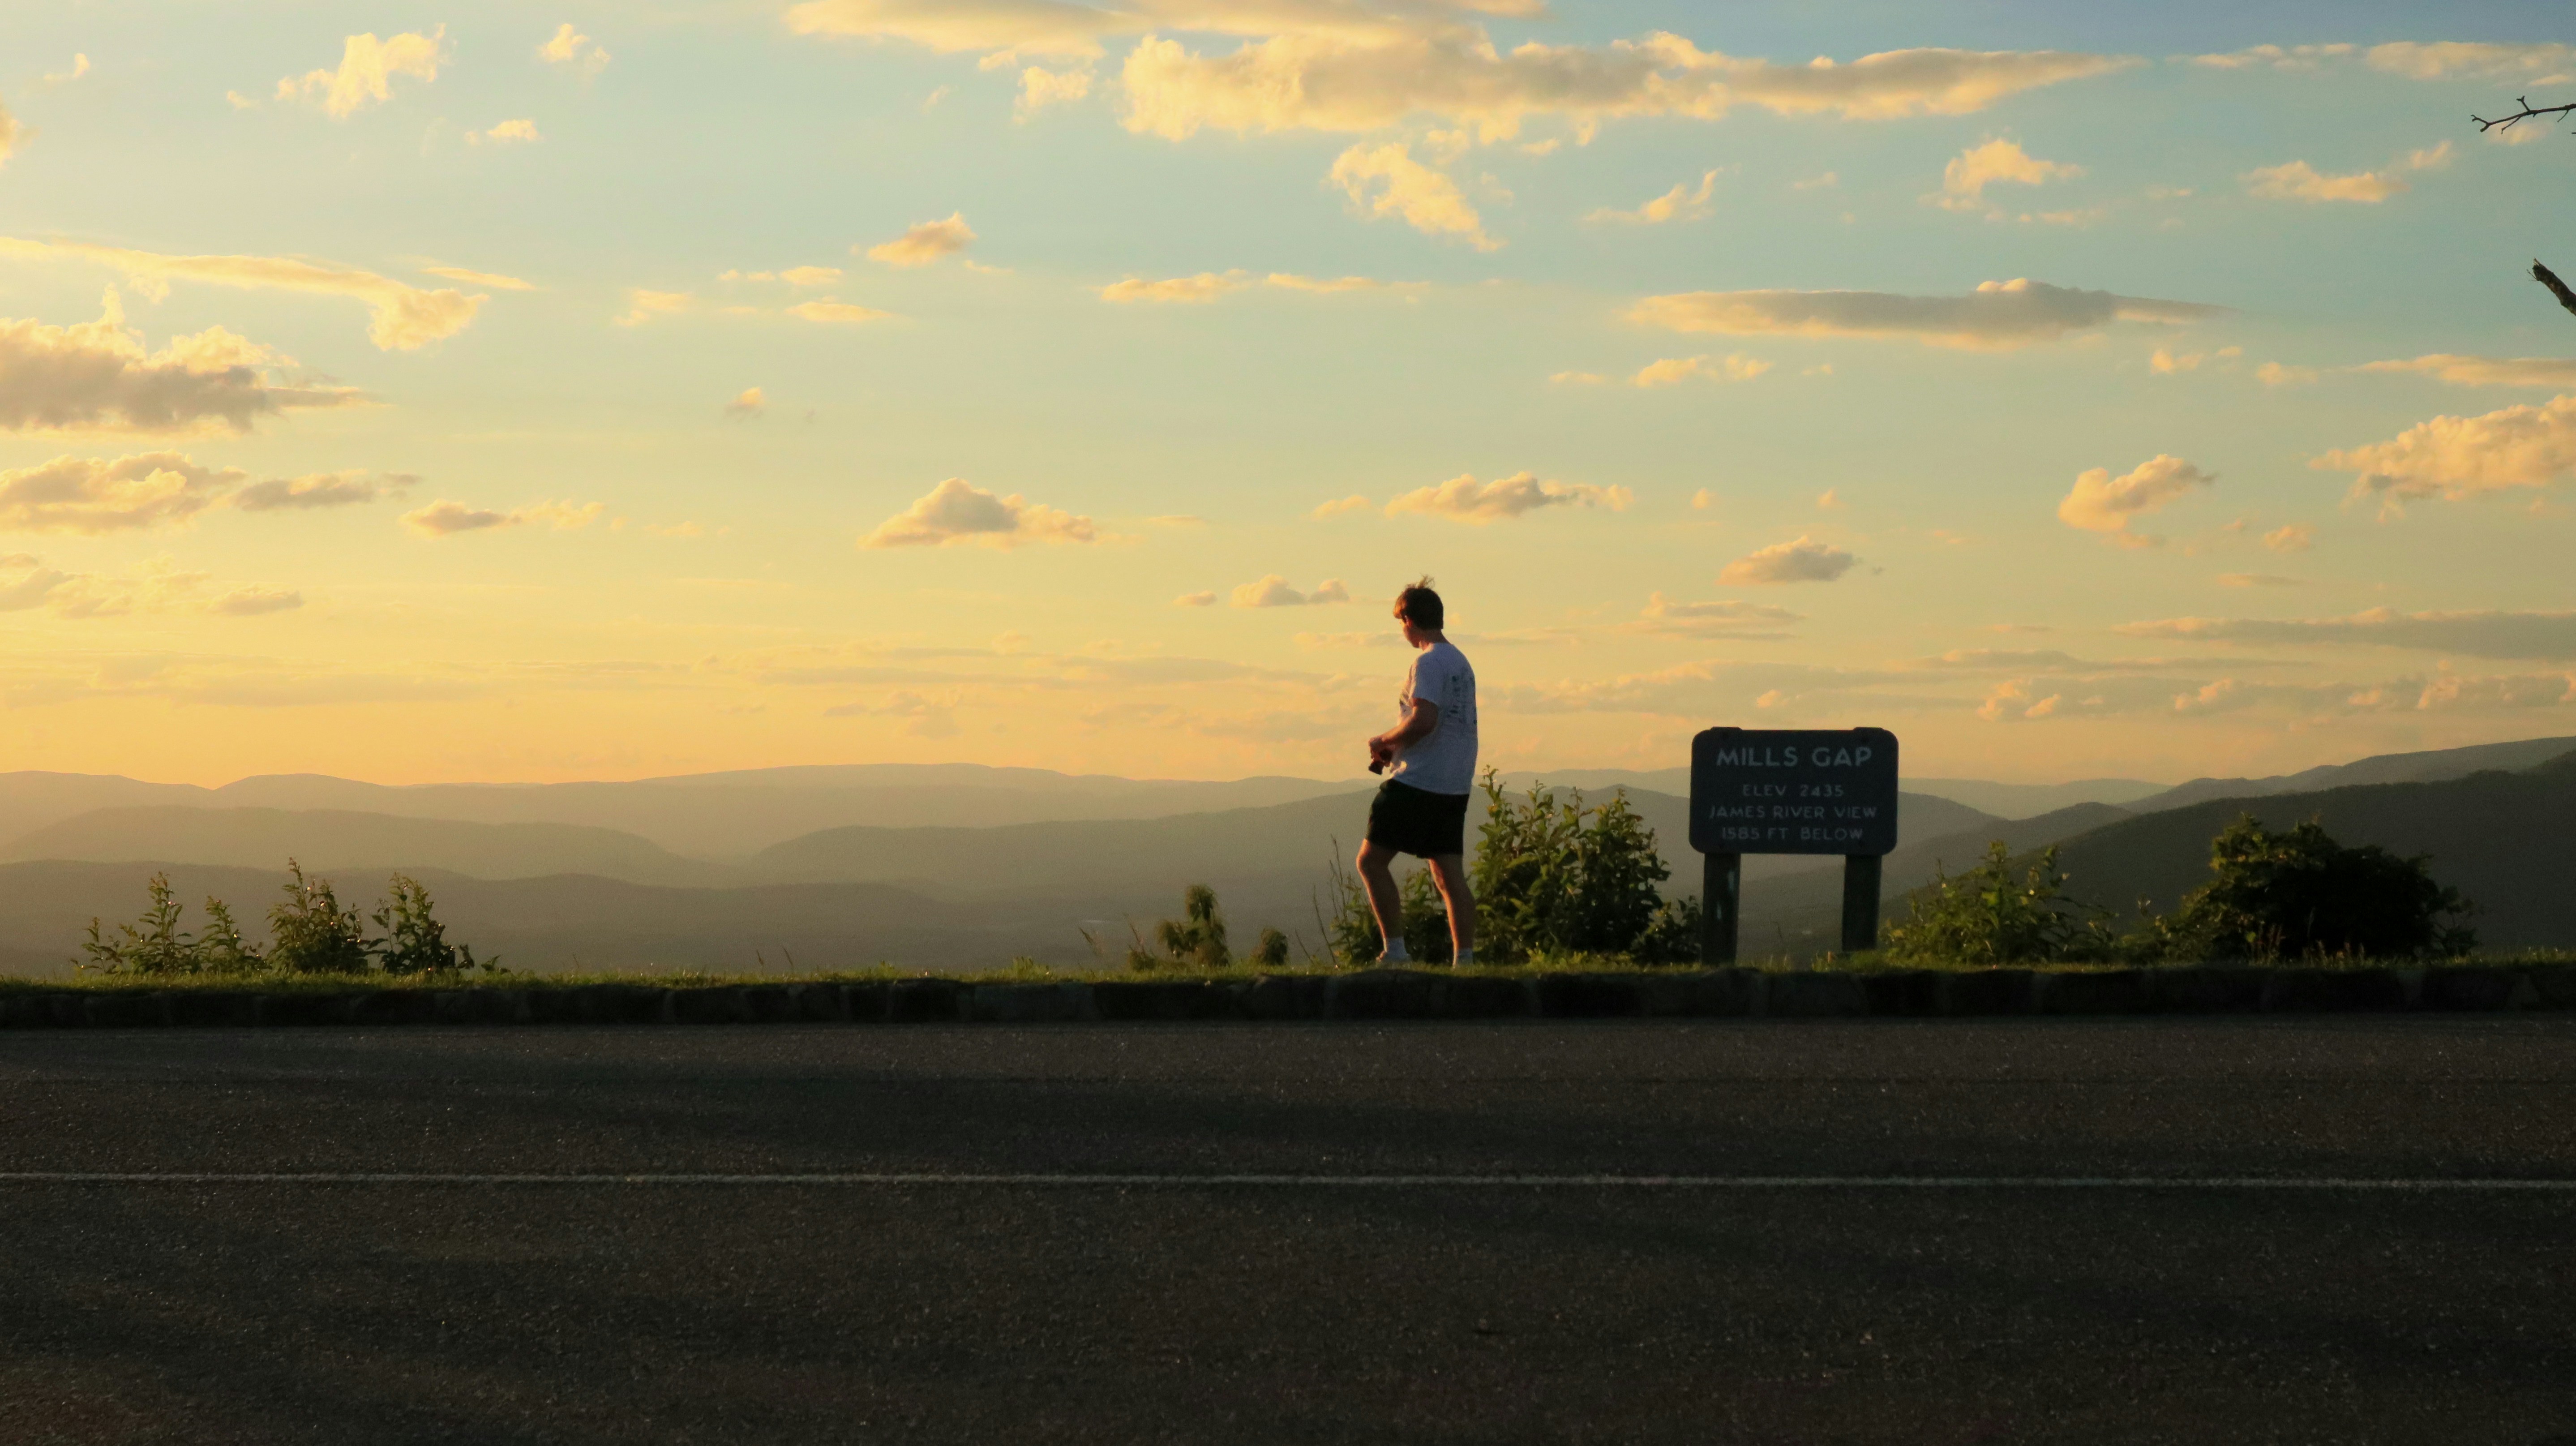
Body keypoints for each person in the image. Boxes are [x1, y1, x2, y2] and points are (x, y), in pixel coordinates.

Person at [1358, 578, 1477, 965]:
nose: (1402, 630)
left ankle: (1395, 951)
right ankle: (1465, 960)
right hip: (1453, 782)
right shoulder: (1459, 661)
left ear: (1409, 620)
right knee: (1448, 875)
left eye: (1401, 622)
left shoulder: (1426, 662)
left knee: (1370, 862)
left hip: (1417, 780)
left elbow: (1424, 719)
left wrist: (1384, 739)